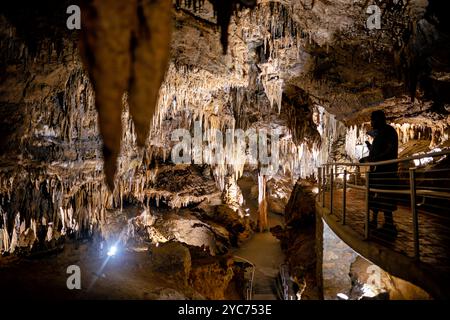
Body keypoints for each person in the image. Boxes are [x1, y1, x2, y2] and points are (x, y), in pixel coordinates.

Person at [360, 110, 399, 237]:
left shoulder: (389, 131)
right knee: (374, 196)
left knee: (385, 196)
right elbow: (377, 151)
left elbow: (389, 150)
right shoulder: (380, 134)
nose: (371, 123)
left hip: (386, 171)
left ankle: (389, 225)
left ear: (380, 119)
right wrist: (370, 149)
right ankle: (374, 220)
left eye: (373, 120)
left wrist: (374, 159)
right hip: (377, 171)